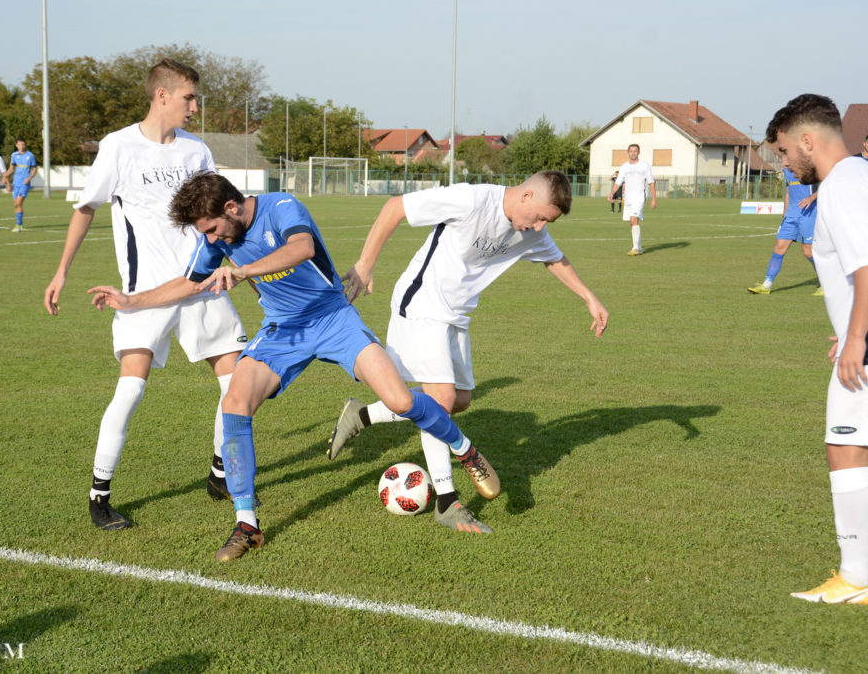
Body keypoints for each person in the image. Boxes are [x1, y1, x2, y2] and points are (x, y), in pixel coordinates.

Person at [88, 173, 499, 561]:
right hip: (283, 330)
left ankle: (465, 449)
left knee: (400, 399)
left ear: (231, 207)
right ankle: (247, 524)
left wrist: (244, 269)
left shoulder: (282, 205)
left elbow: (301, 248)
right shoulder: (216, 242)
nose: (210, 239)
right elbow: (189, 281)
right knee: (235, 401)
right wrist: (130, 301)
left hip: (333, 318)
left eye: (211, 229)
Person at [328, 172, 609, 528]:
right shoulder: (472, 200)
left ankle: (362, 416)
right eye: (539, 218)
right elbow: (395, 207)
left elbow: (554, 259)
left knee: (460, 400)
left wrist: (589, 297)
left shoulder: (531, 231)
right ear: (525, 196)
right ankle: (447, 502)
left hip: (456, 316)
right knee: (441, 401)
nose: (540, 228)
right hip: (422, 304)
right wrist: (364, 265)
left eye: (547, 222)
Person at [43, 60, 248, 532]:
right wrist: (61, 273)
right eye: (189, 98)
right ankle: (100, 495)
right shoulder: (119, 146)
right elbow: (85, 208)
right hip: (143, 293)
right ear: (162, 96)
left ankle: (220, 474)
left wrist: (241, 263)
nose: (195, 107)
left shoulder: (197, 150)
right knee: (131, 389)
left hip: (201, 285)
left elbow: (221, 211)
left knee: (236, 383)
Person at [767, 93, 868, 605]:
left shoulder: (841, 186)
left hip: (865, 350)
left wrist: (857, 338)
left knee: (845, 446)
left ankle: (857, 577)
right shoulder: (862, 176)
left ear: (808, 141)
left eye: (785, 152)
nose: (785, 163)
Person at [746, 163, 821, 295]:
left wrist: (811, 197)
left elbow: (827, 186)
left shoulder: (812, 167)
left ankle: (827, 281)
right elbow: (788, 193)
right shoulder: (787, 171)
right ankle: (766, 285)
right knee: (779, 248)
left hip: (808, 215)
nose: (784, 161)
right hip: (791, 216)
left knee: (808, 252)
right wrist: (785, 215)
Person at [607, 144, 656, 255]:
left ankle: (635, 248)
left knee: (634, 219)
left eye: (635, 151)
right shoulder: (624, 167)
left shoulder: (644, 165)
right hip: (628, 199)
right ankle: (639, 248)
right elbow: (618, 182)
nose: (633, 153)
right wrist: (611, 193)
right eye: (631, 151)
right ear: (628, 152)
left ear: (638, 152)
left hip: (639, 198)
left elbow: (651, 183)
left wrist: (654, 199)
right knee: (632, 222)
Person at [2, 138, 37, 233]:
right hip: (16, 182)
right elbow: (11, 168)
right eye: (20, 144)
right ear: (16, 145)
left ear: (25, 145)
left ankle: (18, 225)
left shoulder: (30, 156)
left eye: (23, 144)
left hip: (24, 183)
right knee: (15, 204)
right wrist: (5, 175)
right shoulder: (14, 155)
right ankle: (19, 224)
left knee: (18, 203)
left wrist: (29, 178)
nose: (21, 146)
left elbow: (34, 169)